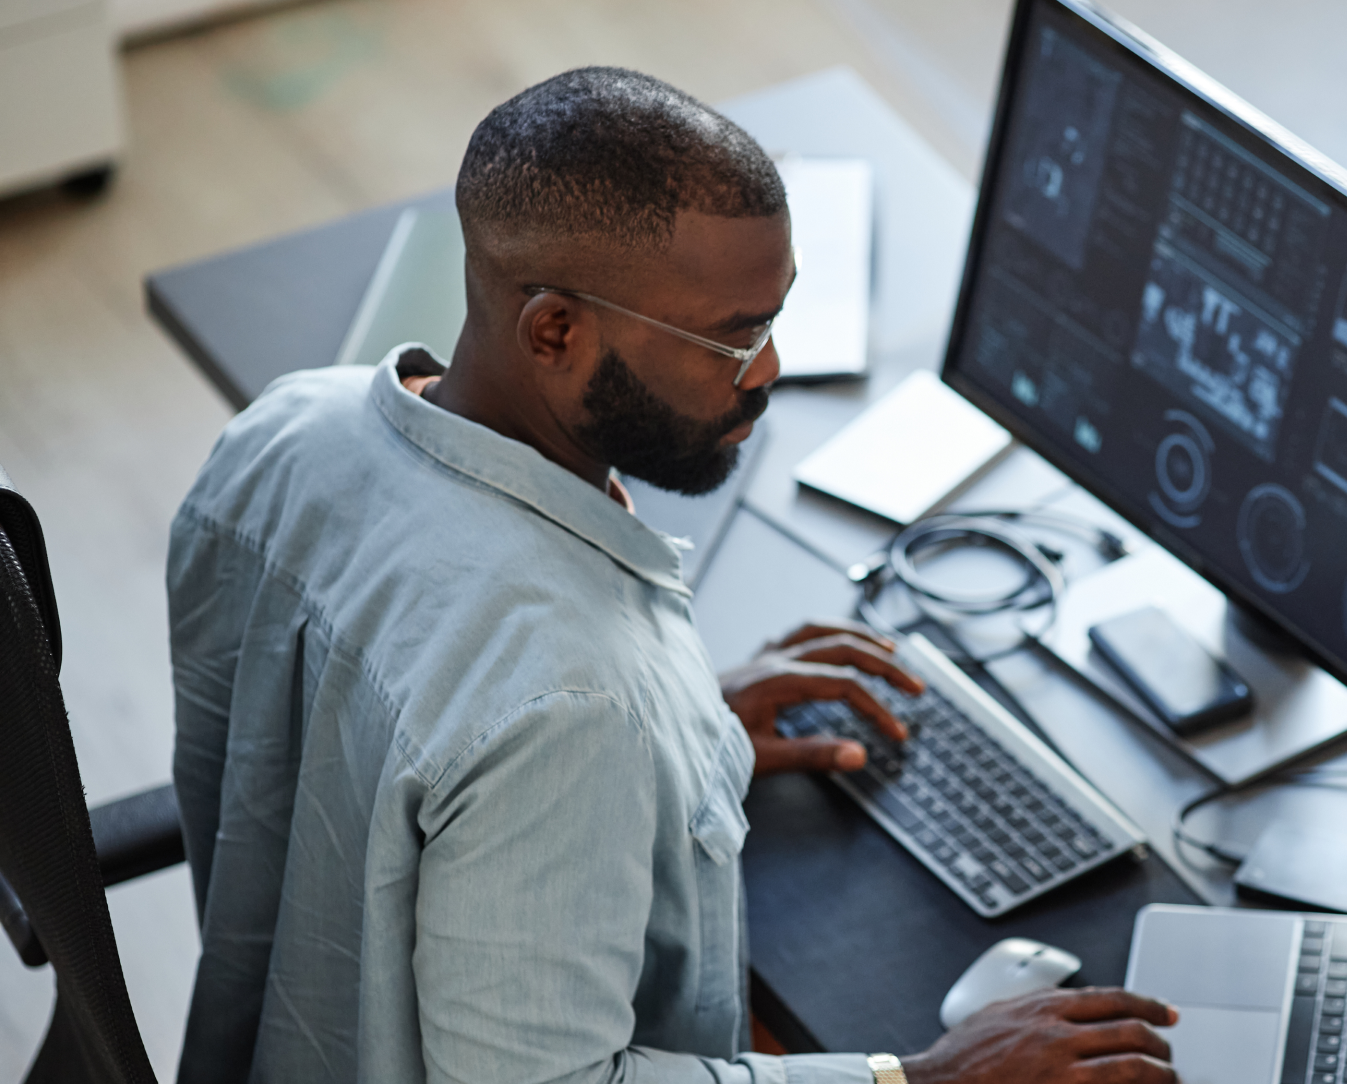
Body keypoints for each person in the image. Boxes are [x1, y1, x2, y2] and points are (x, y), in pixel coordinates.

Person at [167, 66, 1180, 1084]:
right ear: (555, 330)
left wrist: (681, 732)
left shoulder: (284, 429)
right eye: (733, 339)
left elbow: (386, 727)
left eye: (776, 318)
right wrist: (917, 1080)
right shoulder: (570, 704)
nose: (771, 371)